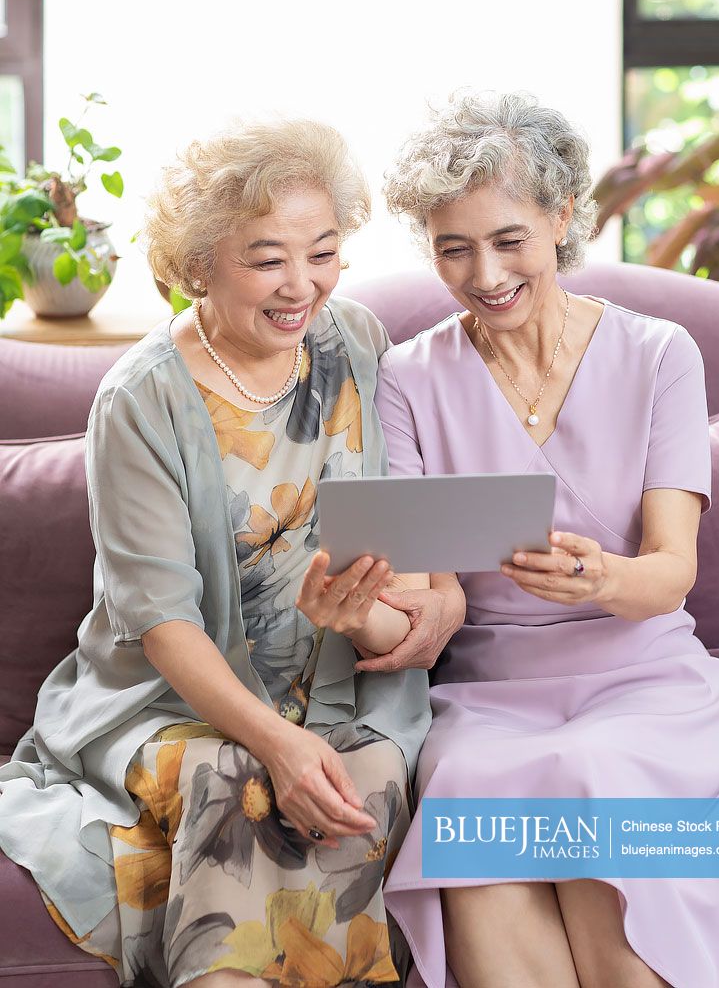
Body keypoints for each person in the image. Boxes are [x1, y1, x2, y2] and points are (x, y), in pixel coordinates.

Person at [0, 114, 442, 988]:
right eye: (267, 257)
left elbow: (409, 554)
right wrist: (277, 742)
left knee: (364, 783)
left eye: (322, 251)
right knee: (230, 781)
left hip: (348, 692)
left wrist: (403, 613)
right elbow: (161, 625)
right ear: (198, 262)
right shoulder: (141, 398)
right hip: (169, 700)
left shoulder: (358, 343)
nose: (301, 284)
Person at [370, 91, 719, 988]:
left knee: (597, 766)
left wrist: (602, 577)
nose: (484, 272)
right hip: (489, 690)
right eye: (453, 247)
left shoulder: (658, 353)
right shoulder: (405, 378)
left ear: (562, 218)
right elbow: (428, 585)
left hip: (641, 675)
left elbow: (670, 574)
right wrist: (387, 605)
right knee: (466, 780)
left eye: (508, 239)